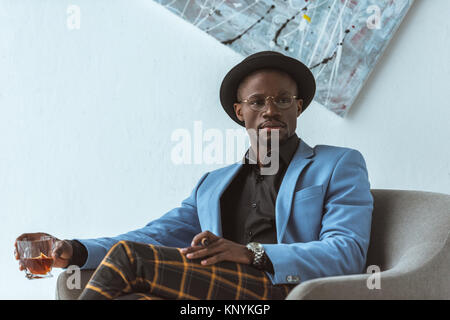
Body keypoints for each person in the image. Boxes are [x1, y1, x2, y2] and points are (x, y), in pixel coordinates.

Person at [14, 51, 373, 300]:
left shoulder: (338, 165)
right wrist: (74, 250)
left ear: (298, 107)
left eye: (282, 101)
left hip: (280, 289)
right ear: (239, 112)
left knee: (130, 257)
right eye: (257, 101)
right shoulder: (212, 184)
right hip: (212, 289)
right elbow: (154, 235)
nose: (270, 110)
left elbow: (347, 252)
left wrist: (251, 253)